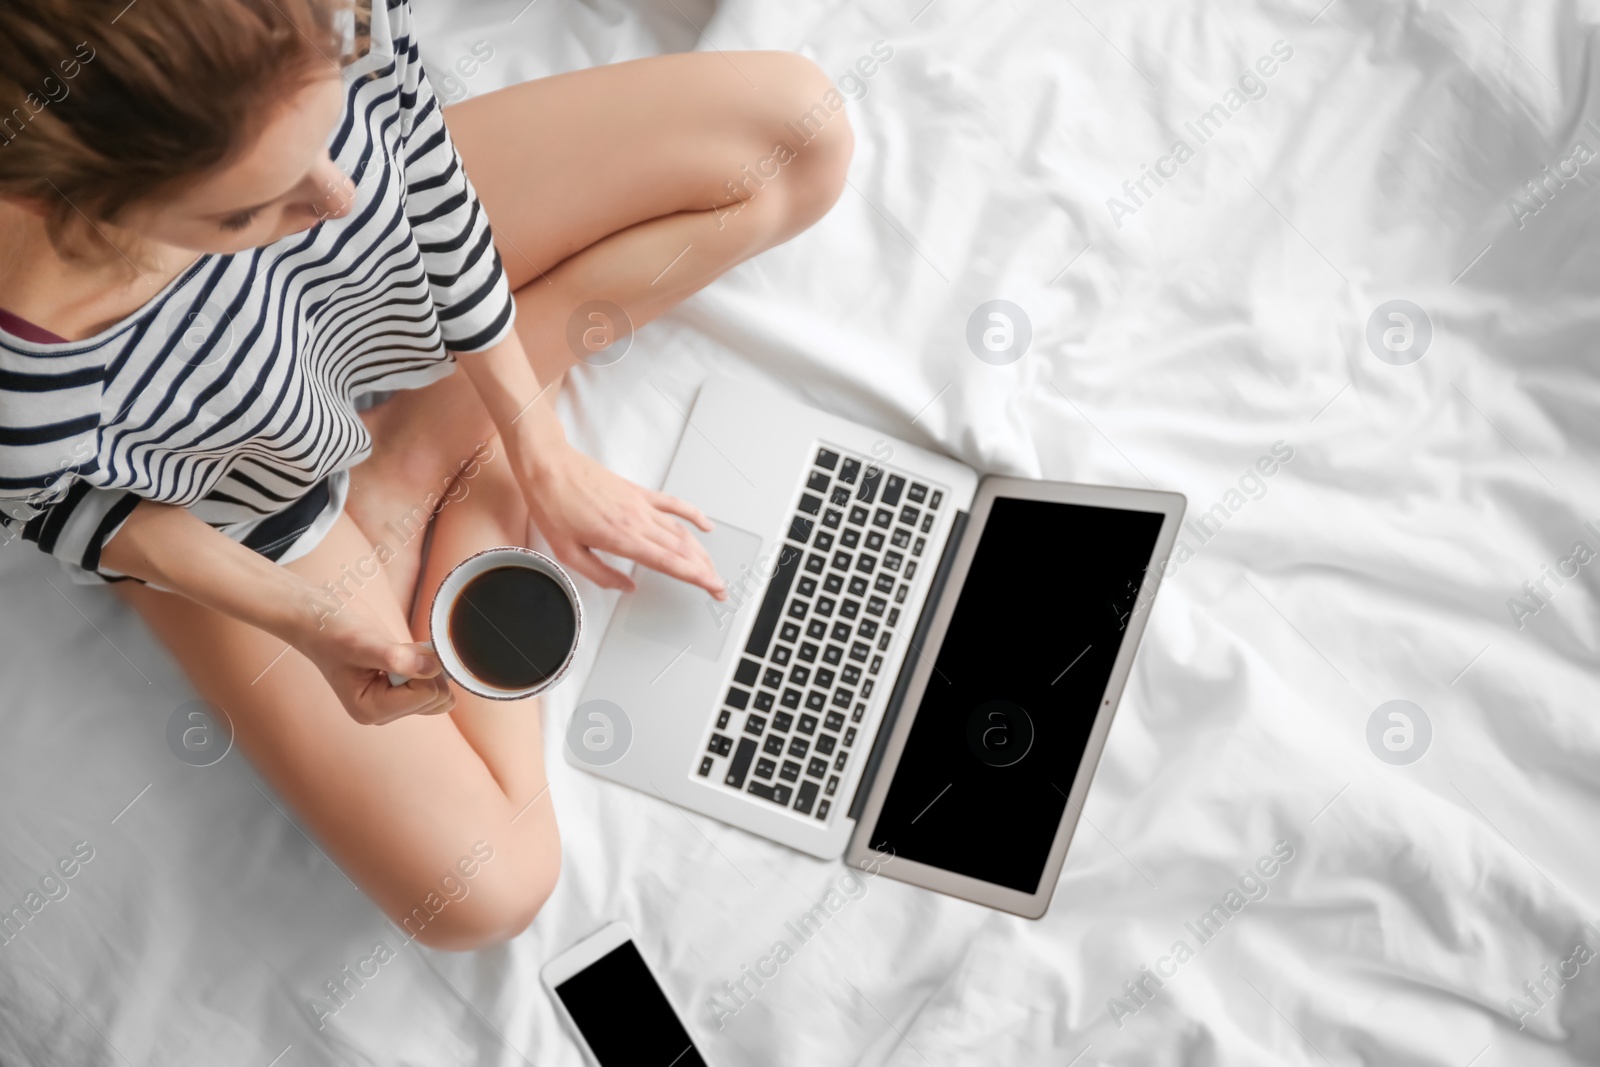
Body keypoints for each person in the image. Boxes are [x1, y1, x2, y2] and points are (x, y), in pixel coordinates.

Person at [0, 0, 852, 949]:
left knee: (801, 133)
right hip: (227, 461)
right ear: (69, 200)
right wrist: (302, 617)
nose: (332, 197)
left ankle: (432, 443)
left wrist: (532, 438)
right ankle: (445, 458)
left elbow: (410, 162)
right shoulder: (20, 374)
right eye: (246, 209)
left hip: (381, 284)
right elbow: (80, 510)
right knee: (484, 890)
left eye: (323, 130)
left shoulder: (323, 33)